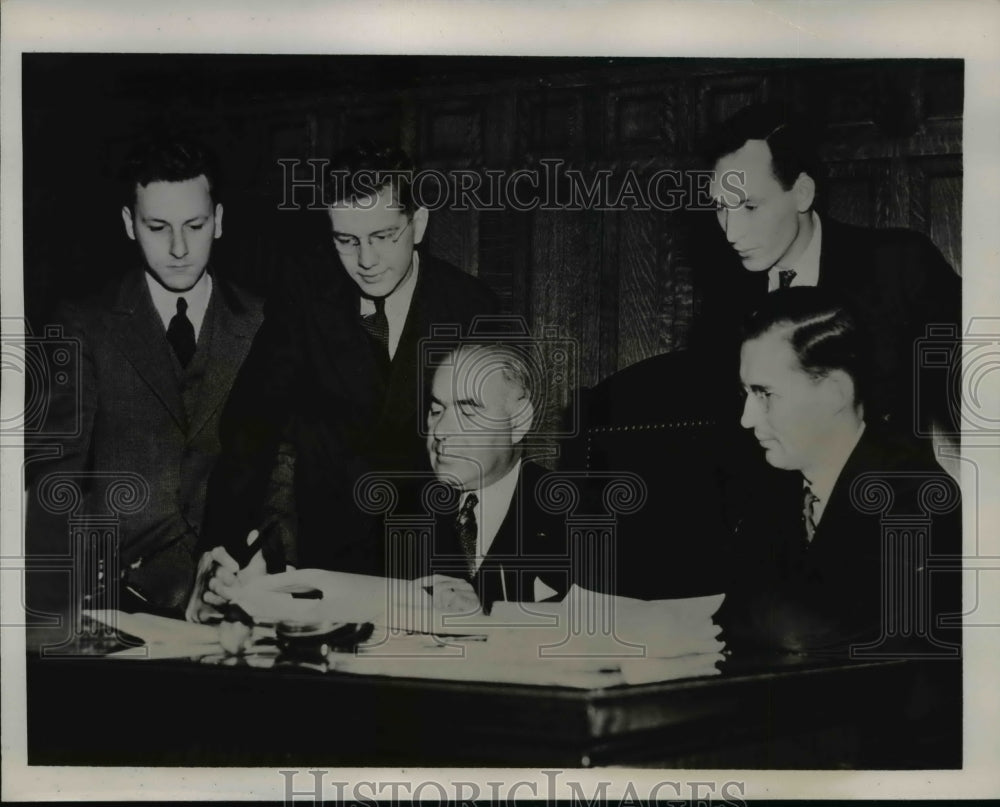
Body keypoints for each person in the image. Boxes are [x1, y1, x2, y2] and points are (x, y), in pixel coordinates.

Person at [190, 142, 498, 620]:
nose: (366, 260)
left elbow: (496, 458)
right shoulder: (305, 299)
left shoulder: (473, 309)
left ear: (419, 223)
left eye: (383, 235)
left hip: (441, 571)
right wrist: (221, 551)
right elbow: (250, 430)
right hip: (328, 570)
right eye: (346, 240)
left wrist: (475, 575)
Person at [26, 136, 264, 616]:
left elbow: (281, 467)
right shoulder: (85, 324)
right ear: (128, 224)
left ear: (218, 221)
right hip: (114, 597)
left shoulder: (261, 322)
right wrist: (48, 615)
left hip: (235, 592)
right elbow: (58, 475)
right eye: (157, 227)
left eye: (194, 226)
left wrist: (264, 564)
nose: (178, 248)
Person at [700, 102, 961, 445]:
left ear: (802, 193)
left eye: (749, 207)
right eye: (721, 207)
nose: (731, 233)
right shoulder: (723, 301)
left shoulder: (899, 265)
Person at [719, 289, 961, 656]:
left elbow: (806, 628)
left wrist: (678, 619)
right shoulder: (769, 490)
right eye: (745, 394)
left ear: (834, 393)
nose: (746, 419)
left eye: (764, 393)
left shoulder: (918, 496)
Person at [420, 342, 568, 612]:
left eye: (467, 412)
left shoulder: (577, 516)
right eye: (436, 410)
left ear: (519, 422)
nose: (440, 431)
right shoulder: (398, 512)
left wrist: (487, 618)